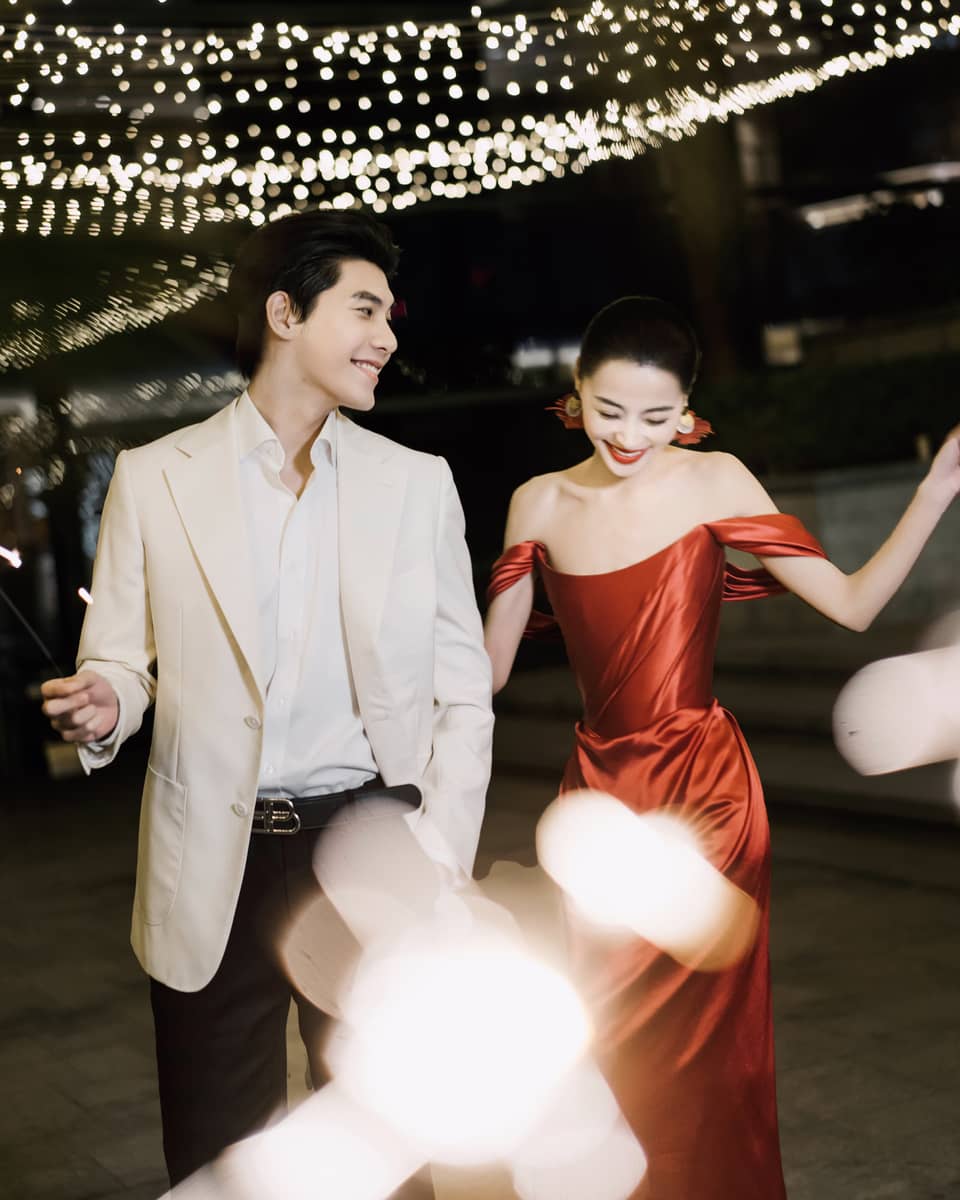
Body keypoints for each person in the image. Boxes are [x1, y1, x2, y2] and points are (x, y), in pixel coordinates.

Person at [40, 208, 494, 1190]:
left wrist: (438, 846)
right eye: (364, 310)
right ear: (286, 314)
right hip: (215, 858)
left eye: (389, 315)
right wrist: (110, 701)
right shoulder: (155, 480)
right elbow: (120, 658)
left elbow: (464, 695)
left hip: (372, 844)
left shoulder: (417, 485)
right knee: (219, 1161)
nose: (387, 337)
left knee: (390, 1149)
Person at [483, 295, 960, 1199]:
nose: (630, 436)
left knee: (713, 1062)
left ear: (687, 413)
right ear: (575, 392)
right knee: (606, 1044)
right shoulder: (536, 501)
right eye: (610, 410)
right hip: (597, 804)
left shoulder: (717, 480)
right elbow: (490, 671)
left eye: (656, 417)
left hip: (708, 799)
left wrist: (935, 490)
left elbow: (854, 604)